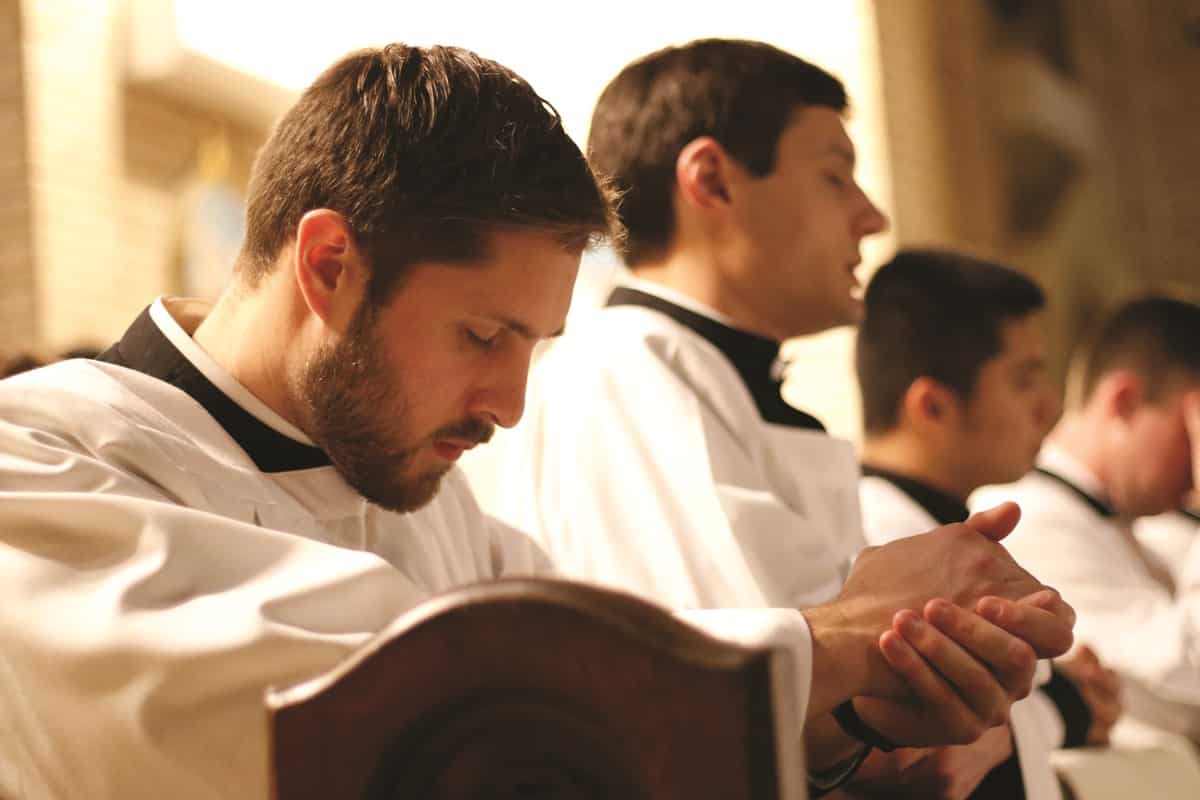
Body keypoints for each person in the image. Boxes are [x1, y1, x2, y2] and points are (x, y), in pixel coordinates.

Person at [0, 42, 1071, 800]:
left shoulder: (427, 501)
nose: (512, 405)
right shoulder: (38, 455)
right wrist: (830, 642)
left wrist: (871, 715)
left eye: (533, 347)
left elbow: (605, 715)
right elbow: (363, 701)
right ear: (330, 264)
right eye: (482, 335)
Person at [490, 38, 1074, 796]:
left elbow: (828, 708)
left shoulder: (712, 380)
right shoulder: (622, 372)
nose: (871, 216)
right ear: (711, 181)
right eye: (835, 177)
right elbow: (724, 701)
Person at [855, 249, 1122, 797]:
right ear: (932, 406)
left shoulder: (938, 526)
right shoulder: (882, 545)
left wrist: (1062, 693)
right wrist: (1064, 700)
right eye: (1023, 380)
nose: (1049, 406)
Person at [974, 295, 1200, 742]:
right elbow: (1186, 679)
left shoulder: (1142, 526)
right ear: (1127, 401)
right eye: (1189, 428)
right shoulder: (1029, 518)